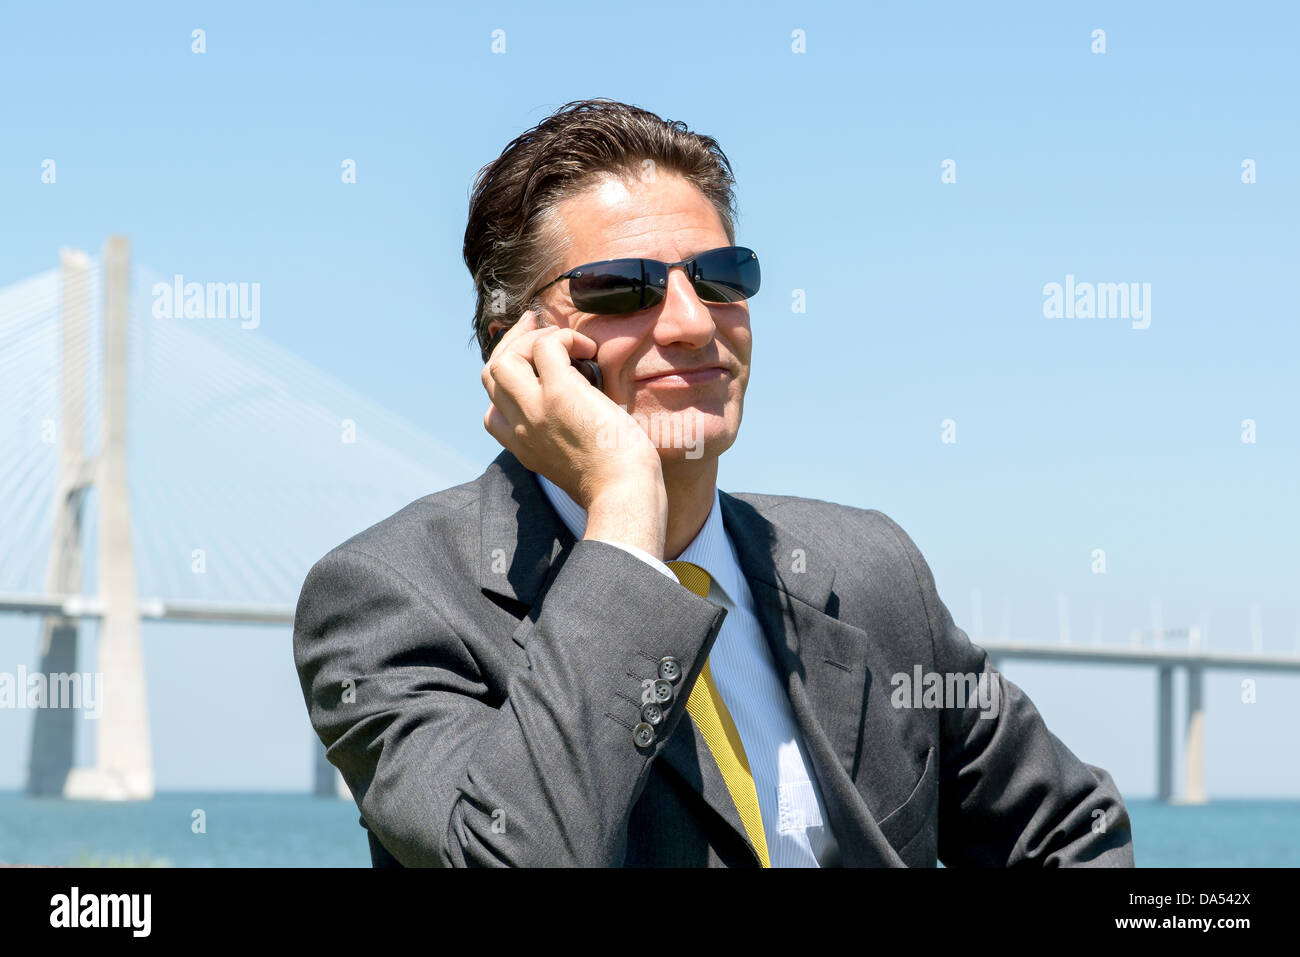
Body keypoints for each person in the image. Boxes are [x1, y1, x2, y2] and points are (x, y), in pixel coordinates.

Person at [292, 98, 1134, 867]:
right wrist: (624, 512)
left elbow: (1070, 831)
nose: (694, 324)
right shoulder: (388, 602)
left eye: (722, 277)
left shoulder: (873, 571)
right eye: (624, 288)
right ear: (516, 343)